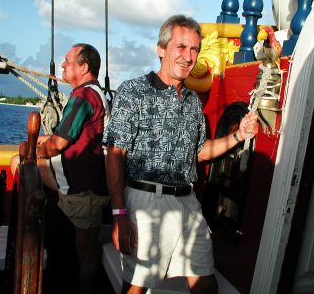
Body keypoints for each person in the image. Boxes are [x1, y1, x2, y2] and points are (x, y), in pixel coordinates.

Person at [103, 15, 259, 294]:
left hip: (188, 204)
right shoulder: (134, 91)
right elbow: (115, 153)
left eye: (195, 49)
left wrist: (239, 135)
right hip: (146, 203)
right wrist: (119, 215)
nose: (188, 57)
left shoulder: (191, 102)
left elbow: (199, 152)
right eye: (181, 47)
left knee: (206, 285)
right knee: (135, 289)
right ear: (161, 49)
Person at [10, 43, 110, 294]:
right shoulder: (95, 93)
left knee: (85, 253)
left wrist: (36, 151)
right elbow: (70, 136)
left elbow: (59, 144)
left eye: (67, 60)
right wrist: (40, 143)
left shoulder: (83, 97)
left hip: (84, 191)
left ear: (83, 67)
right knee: (18, 160)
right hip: (75, 183)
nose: (63, 65)